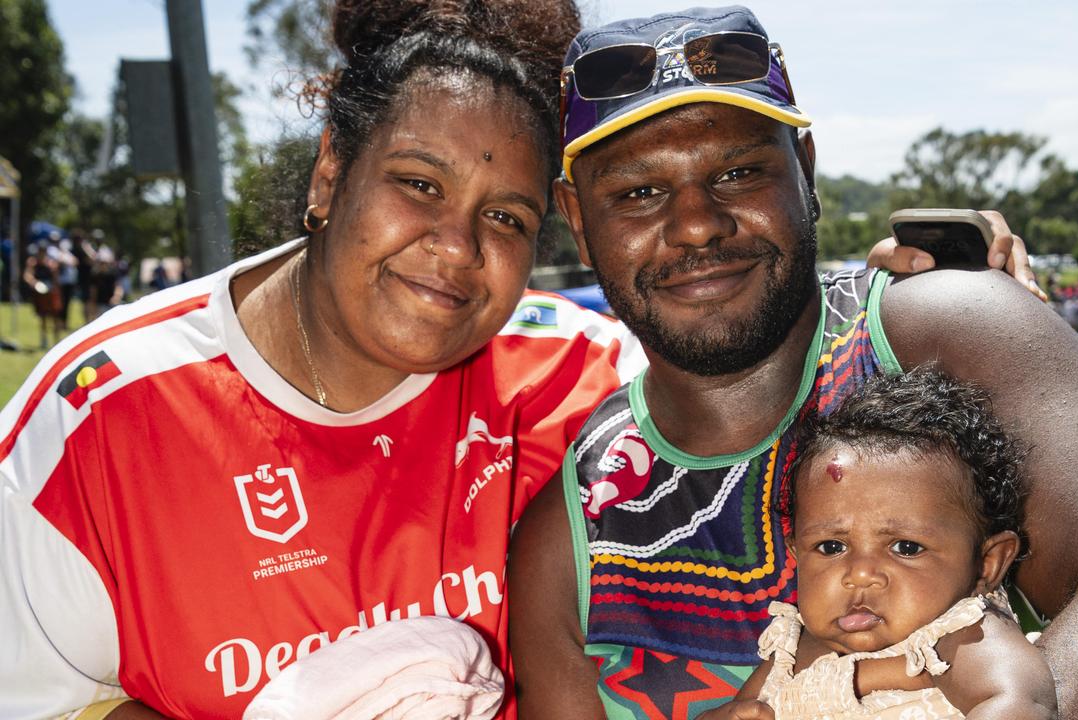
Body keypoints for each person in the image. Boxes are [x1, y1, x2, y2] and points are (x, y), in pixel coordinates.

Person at [509, 6, 1078, 720]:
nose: (697, 222)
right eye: (638, 192)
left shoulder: (945, 329)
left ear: (805, 169)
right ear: (576, 218)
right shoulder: (570, 533)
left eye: (738, 172)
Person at [0, 2, 642, 718]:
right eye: (419, 184)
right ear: (331, 174)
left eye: (506, 218)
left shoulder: (586, 381)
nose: (457, 247)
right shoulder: (95, 419)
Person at [724, 369, 1055, 720]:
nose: (860, 574)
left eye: (906, 548)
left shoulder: (960, 637)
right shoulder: (790, 650)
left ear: (987, 564)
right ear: (796, 554)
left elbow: (1022, 703)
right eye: (832, 547)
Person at [22, 241, 63, 348]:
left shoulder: (51, 263)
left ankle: (57, 341)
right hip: (40, 293)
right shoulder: (33, 262)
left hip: (51, 292)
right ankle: (43, 340)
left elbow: (56, 279)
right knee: (43, 317)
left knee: (55, 317)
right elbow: (27, 275)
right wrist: (35, 283)